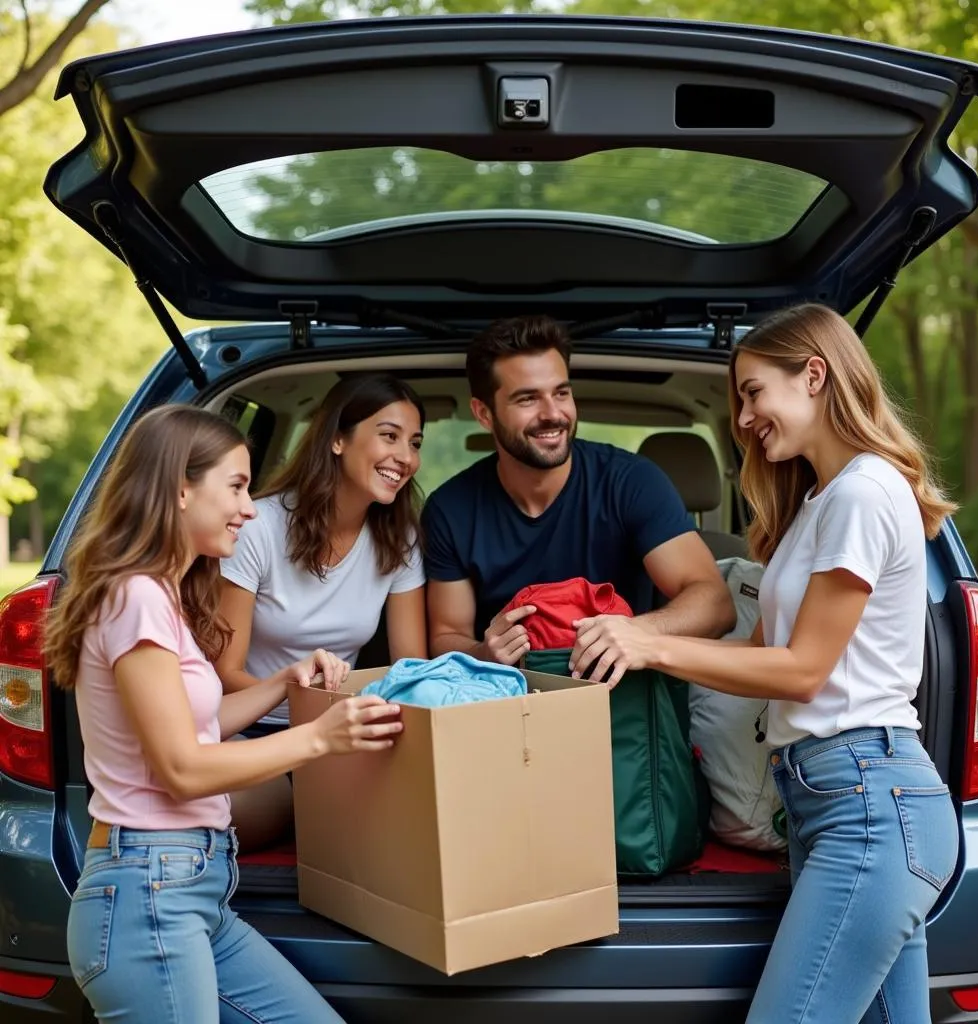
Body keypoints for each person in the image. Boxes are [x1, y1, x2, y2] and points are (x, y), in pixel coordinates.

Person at [566, 303, 959, 1024]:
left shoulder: (864, 493)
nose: (743, 418)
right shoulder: (820, 501)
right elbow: (756, 651)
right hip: (834, 803)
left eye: (752, 392)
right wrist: (640, 648)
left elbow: (803, 669)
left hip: (869, 806)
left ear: (814, 375)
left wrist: (650, 643)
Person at [44, 405, 404, 1024]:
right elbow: (182, 769)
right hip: (147, 897)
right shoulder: (135, 597)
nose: (249, 507)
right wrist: (319, 737)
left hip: (194, 894)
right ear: (181, 488)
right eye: (236, 486)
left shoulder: (161, 596)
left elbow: (197, 728)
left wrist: (281, 685)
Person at [422, 314, 735, 670]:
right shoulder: (451, 509)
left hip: (622, 702)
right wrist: (484, 652)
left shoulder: (631, 482)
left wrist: (636, 632)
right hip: (506, 701)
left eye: (561, 392)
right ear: (483, 414)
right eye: (527, 399)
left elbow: (715, 602)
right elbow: (446, 634)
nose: (553, 413)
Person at [216, 372, 427, 847]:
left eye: (414, 443)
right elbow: (225, 671)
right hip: (255, 735)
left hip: (350, 739)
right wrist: (311, 708)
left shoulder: (401, 541)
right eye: (388, 436)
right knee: (236, 810)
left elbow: (411, 669)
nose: (406, 458)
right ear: (336, 439)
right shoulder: (259, 528)